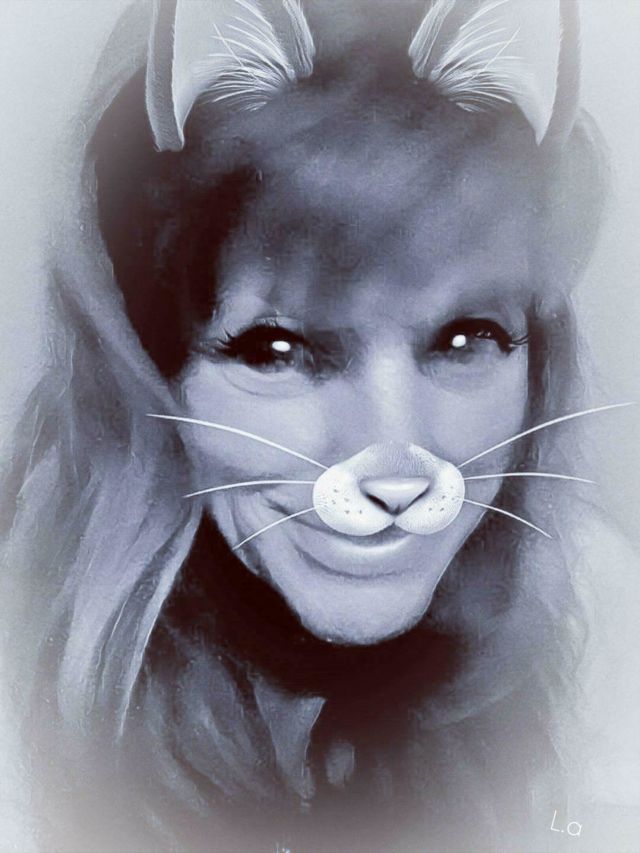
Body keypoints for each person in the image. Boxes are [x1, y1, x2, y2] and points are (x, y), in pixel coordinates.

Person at [1, 1, 638, 851]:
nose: (397, 463)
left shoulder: (598, 605)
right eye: (278, 350)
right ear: (144, 367)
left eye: (465, 339)